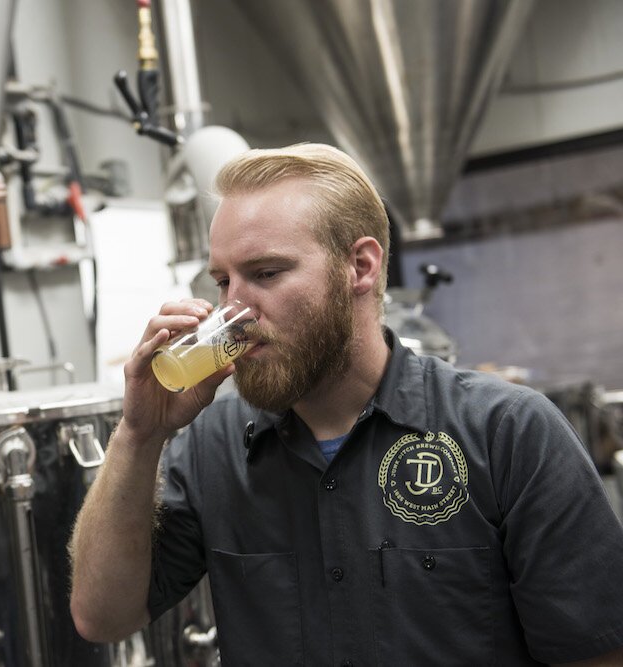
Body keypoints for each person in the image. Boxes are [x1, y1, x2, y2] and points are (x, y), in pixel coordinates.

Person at [69, 142, 623, 665]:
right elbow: (102, 617)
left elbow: (596, 653)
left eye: (265, 273)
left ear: (361, 267)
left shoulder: (506, 433)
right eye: (222, 281)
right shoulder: (213, 445)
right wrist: (137, 436)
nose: (231, 310)